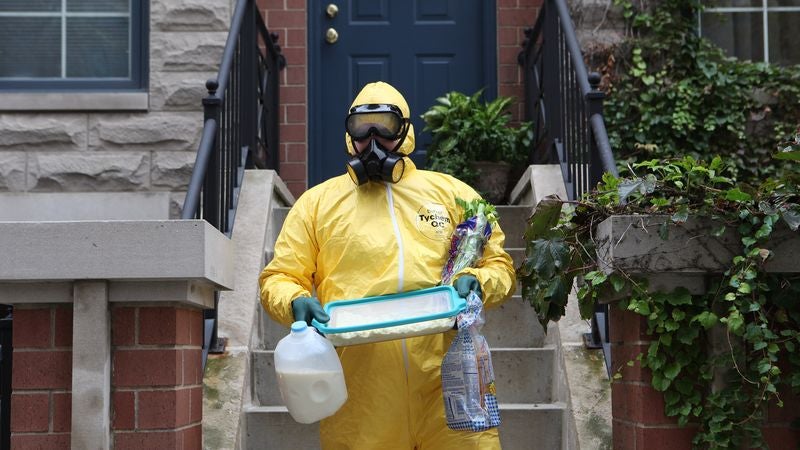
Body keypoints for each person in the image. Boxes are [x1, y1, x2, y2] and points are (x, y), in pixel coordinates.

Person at [259, 81, 516, 449]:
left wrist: (477, 282)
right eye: (362, 129)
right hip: (362, 390)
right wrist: (295, 301)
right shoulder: (317, 205)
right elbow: (280, 276)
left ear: (405, 132)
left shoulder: (452, 195)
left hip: (448, 380)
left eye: (385, 127)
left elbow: (500, 265)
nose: (373, 140)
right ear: (350, 135)